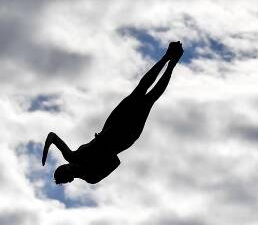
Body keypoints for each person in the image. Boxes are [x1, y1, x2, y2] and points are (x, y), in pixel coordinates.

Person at [42, 41, 184, 184]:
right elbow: (115, 163)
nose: (68, 166)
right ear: (70, 178)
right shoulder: (91, 177)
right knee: (149, 99)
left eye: (64, 166)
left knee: (139, 91)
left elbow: (52, 136)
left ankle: (167, 57)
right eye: (66, 170)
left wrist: (45, 152)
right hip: (123, 138)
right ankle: (172, 64)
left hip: (111, 126)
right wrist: (106, 149)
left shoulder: (72, 156)